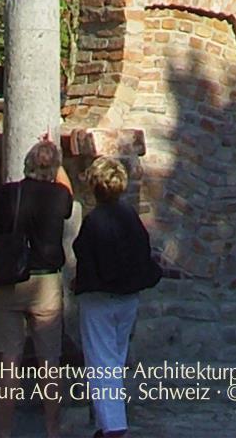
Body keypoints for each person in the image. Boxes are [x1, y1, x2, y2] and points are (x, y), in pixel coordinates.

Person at [0, 136, 73, 438]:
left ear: (26, 165)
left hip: (7, 281)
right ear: (54, 169)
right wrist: (55, 158)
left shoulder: (6, 194)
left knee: (10, 360)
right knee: (50, 359)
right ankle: (52, 429)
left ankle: (4, 431)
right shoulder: (59, 197)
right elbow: (68, 189)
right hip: (45, 282)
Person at [73, 154, 159, 437]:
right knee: (115, 359)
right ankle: (106, 422)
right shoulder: (130, 217)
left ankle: (113, 426)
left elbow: (85, 256)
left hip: (99, 297)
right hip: (128, 297)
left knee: (101, 362)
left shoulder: (95, 221)